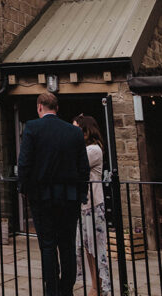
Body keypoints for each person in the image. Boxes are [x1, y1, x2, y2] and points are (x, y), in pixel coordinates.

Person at [17, 92, 89, 296]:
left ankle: (52, 291)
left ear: (39, 107)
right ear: (57, 109)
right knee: (67, 245)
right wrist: (81, 193)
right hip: (69, 197)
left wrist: (23, 189)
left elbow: (24, 163)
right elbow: (83, 167)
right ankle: (66, 290)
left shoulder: (32, 128)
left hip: (42, 197)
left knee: (47, 246)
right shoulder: (74, 132)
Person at [74, 114, 111, 296]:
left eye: (76, 128)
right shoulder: (83, 149)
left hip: (93, 205)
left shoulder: (94, 150)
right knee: (87, 248)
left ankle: (100, 286)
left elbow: (74, 166)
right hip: (84, 205)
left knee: (96, 248)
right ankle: (96, 285)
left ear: (86, 130)